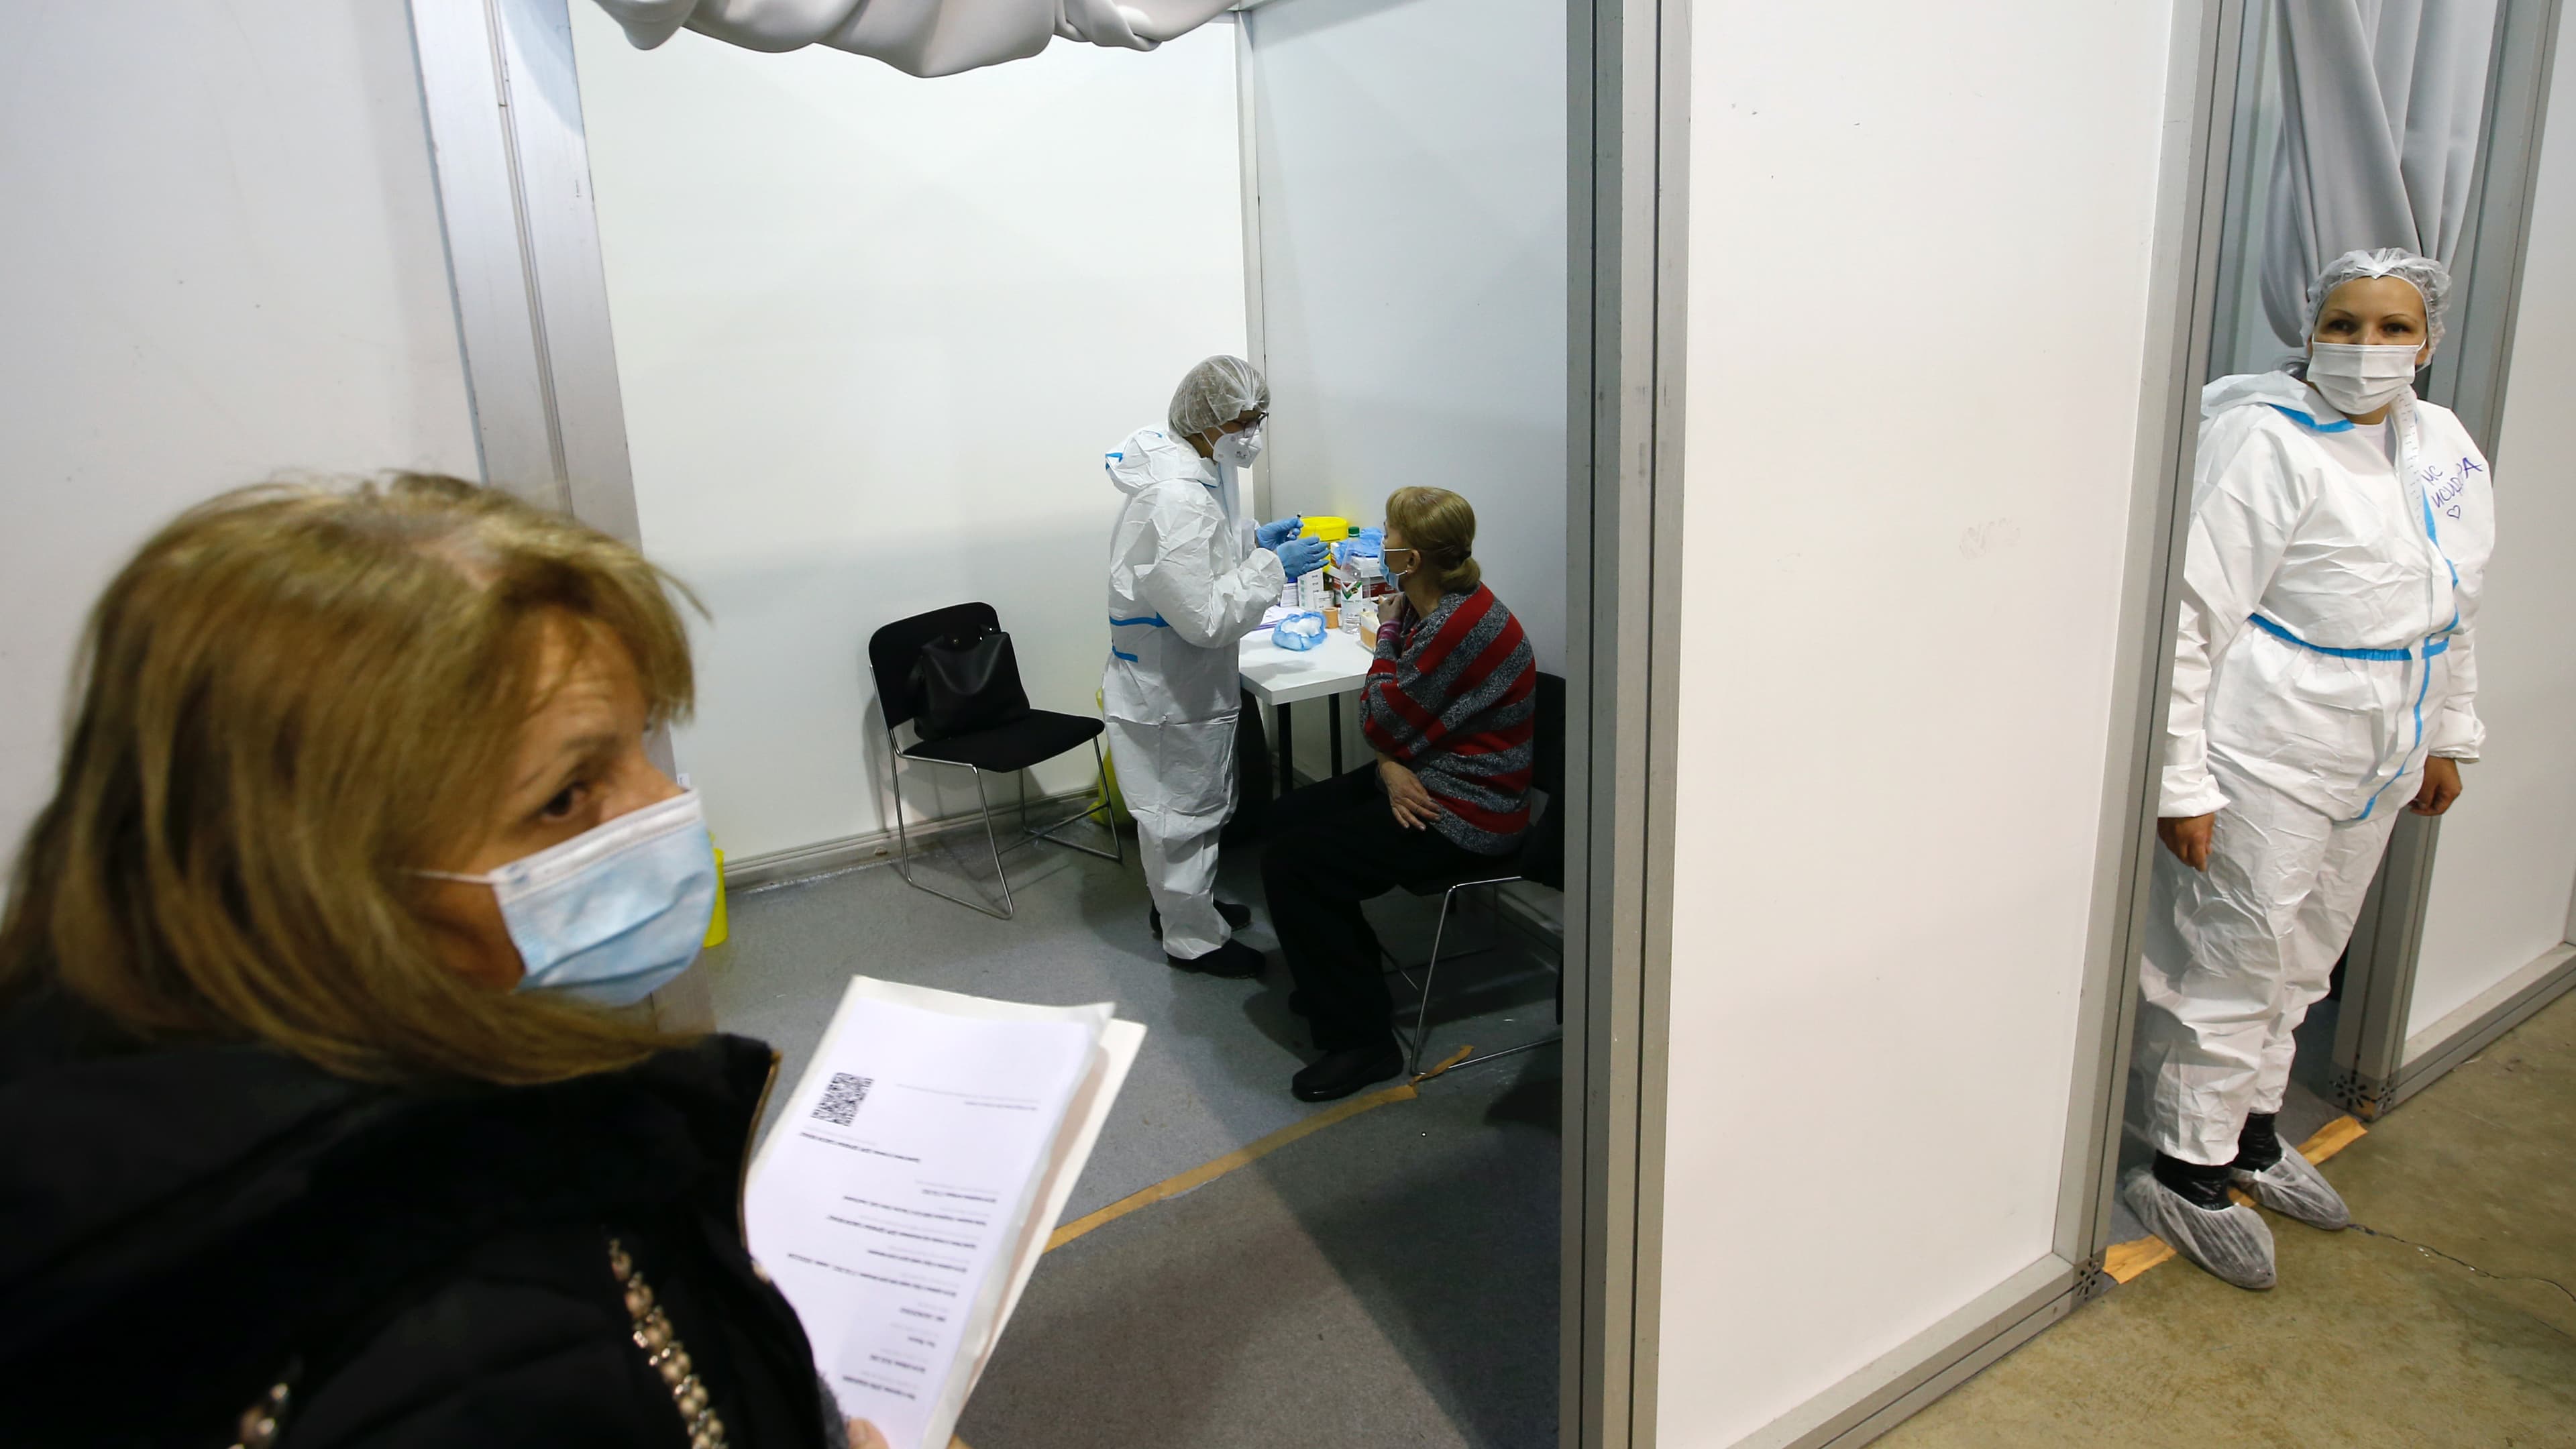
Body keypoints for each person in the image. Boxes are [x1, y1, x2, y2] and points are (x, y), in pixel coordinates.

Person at [0, 476, 870, 1448]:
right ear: (317, 880)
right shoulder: (473, 1331)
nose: (664, 807)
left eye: (642, 745)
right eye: (567, 795)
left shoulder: (81, 1096)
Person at [2126, 248, 2494, 1290]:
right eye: (2344, 324)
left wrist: (2449, 735)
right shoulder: (2264, 439)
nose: (2365, 349)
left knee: (2310, 954)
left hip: (2382, 743)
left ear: (2429, 339)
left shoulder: (2441, 446)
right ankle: (2184, 1164)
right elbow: (2189, 622)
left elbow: (2456, 602)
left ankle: (2251, 1131)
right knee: (2232, 957)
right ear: (2310, 330)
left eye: (2389, 328)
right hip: (2271, 743)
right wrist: (2181, 782)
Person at [1261, 487, 1536, 1102]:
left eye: (1386, 532)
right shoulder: (1432, 605)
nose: (1377, 542)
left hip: (1468, 811)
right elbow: (1396, 727)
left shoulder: (1452, 624)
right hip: (1423, 772)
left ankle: (1363, 1042)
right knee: (1285, 819)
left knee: (1298, 863)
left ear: (1411, 558)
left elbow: (1379, 721)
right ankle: (1341, 978)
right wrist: (1387, 765)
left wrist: (1382, 633)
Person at [1102, 356, 1328, 979]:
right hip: (1170, 690)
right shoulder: (1177, 500)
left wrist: (1253, 544)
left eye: (1259, 419)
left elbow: (1195, 569)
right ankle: (1192, 942)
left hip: (1177, 682)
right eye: (1244, 422)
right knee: (1183, 815)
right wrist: (1273, 567)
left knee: (1191, 810)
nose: (1253, 433)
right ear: (1207, 420)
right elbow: (1205, 618)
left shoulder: (1192, 471)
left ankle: (1184, 909)